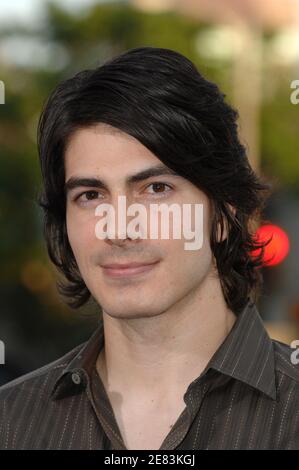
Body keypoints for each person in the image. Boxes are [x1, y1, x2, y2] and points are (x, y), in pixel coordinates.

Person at [0, 46, 298, 450]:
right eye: (90, 195)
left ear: (224, 211)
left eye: (156, 189)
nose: (120, 228)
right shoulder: (11, 423)